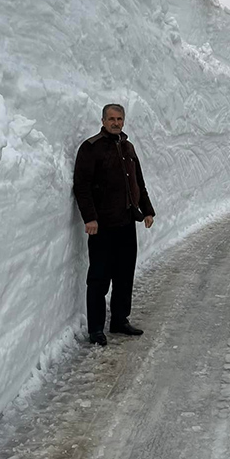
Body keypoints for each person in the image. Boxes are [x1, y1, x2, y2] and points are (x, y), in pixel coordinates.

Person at [73, 103, 156, 346]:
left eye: (119, 119)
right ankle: (96, 328)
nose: (116, 123)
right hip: (103, 226)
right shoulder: (91, 148)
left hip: (127, 222)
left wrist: (147, 210)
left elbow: (138, 183)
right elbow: (82, 186)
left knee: (124, 275)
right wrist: (90, 218)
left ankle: (119, 320)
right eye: (111, 119)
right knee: (99, 277)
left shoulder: (128, 147)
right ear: (103, 120)